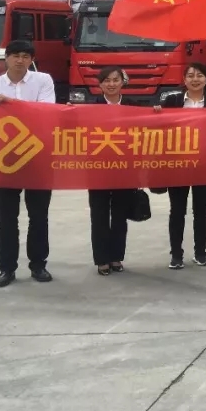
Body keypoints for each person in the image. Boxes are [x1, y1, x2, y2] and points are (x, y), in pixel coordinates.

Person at [0, 40, 57, 288]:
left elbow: (46, 111)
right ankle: (6, 268)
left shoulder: (43, 81)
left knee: (39, 216)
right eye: (15, 55)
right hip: (3, 162)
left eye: (25, 56)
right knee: (6, 219)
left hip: (37, 158)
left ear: (31, 60)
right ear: (6, 58)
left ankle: (38, 265)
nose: (20, 60)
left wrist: (10, 104)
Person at [155, 62, 206, 269]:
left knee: (201, 210)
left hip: (204, 165)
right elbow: (160, 127)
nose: (195, 79)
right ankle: (176, 254)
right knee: (177, 210)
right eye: (190, 75)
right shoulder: (172, 101)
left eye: (199, 75)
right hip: (178, 164)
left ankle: (200, 252)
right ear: (184, 80)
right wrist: (157, 113)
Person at [88, 66, 136, 276]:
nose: (111, 84)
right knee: (99, 215)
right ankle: (101, 260)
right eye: (106, 80)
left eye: (115, 80)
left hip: (124, 170)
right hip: (97, 170)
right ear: (100, 85)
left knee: (119, 216)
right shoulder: (90, 108)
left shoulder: (134, 106)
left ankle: (116, 257)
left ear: (122, 82)